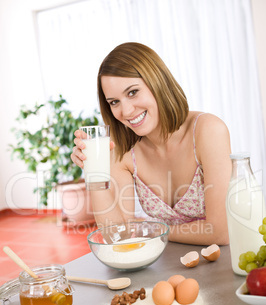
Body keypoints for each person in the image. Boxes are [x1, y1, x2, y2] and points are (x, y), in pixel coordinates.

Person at [71, 42, 231, 245]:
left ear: (157, 82)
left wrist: (150, 229)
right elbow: (117, 236)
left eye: (132, 92)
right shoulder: (124, 152)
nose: (126, 111)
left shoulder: (207, 130)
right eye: (114, 102)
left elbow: (220, 233)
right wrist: (94, 171)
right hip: (168, 267)